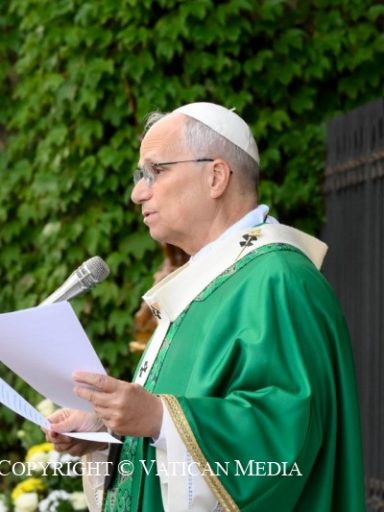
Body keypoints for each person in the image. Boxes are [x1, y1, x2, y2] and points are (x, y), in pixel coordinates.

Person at [45, 102, 364, 511]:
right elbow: (180, 414)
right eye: (140, 176)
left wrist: (158, 417)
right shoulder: (209, 280)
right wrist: (109, 431)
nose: (138, 193)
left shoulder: (278, 280)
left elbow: (285, 437)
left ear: (215, 177)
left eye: (155, 171)